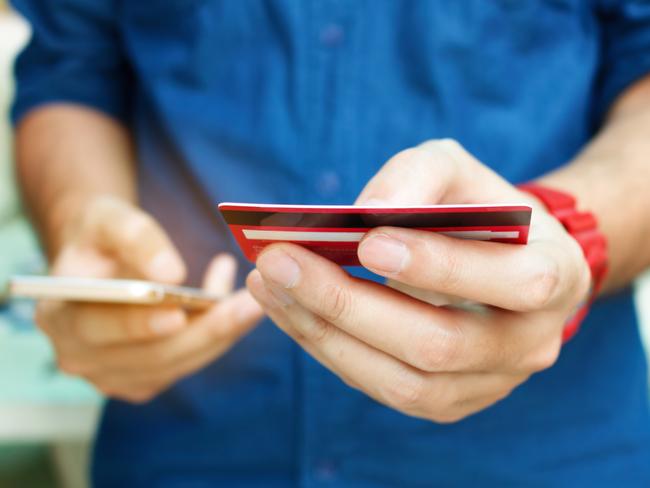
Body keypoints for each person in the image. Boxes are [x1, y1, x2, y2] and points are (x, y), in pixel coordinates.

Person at [10, 0, 650, 485]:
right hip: (186, 442)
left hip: (548, 452)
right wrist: (81, 224)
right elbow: (70, 72)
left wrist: (572, 228)